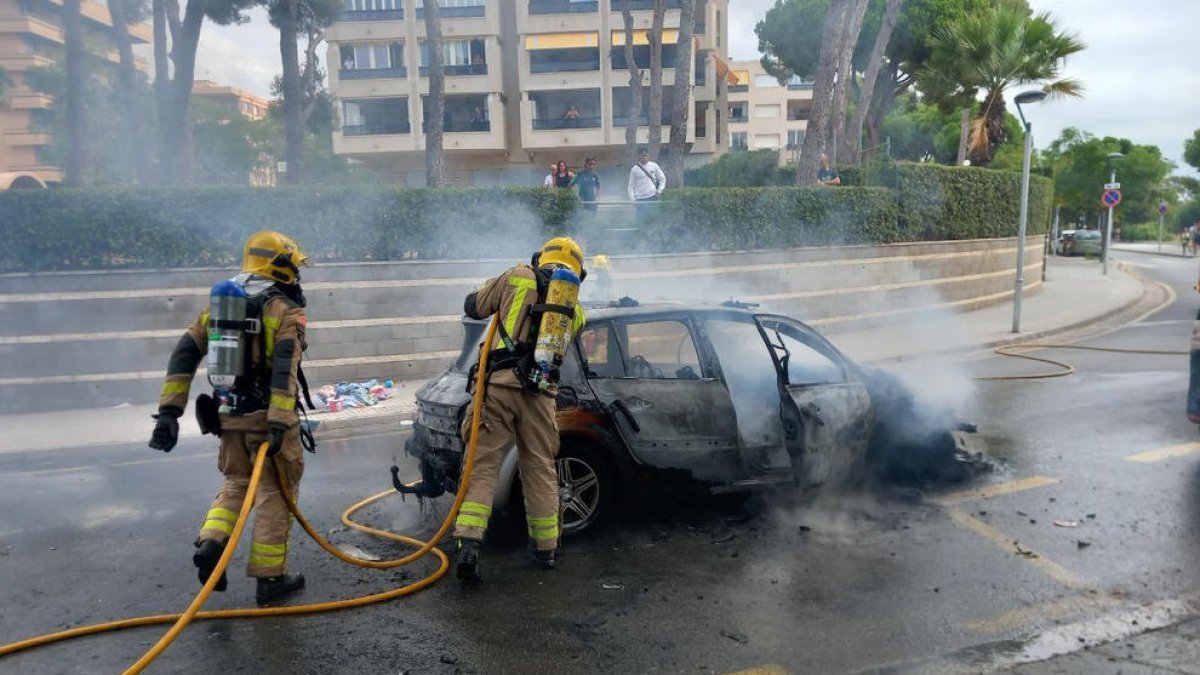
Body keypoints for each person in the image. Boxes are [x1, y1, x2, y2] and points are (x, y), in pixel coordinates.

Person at [149, 231, 312, 605]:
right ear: (281, 266)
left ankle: (211, 544)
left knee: (237, 483)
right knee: (277, 493)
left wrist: (169, 413)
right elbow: (284, 368)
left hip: (229, 416)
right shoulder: (285, 309)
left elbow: (183, 355)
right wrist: (277, 421)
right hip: (268, 419)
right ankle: (270, 580)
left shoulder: (222, 305)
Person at [453, 237, 588, 582]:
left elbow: (473, 307)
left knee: (482, 465)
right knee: (540, 468)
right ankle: (546, 550)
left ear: (540, 257)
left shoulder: (517, 276)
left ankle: (469, 547)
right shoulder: (576, 309)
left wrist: (492, 287)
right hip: (540, 393)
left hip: (499, 386)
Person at [627, 147, 666, 216]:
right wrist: (633, 201)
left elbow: (662, 179)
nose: (644, 157)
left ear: (649, 156)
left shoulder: (654, 166)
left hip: (652, 197)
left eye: (646, 155)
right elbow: (631, 186)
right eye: (642, 155)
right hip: (640, 199)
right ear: (639, 156)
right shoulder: (634, 169)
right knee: (641, 221)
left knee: (653, 219)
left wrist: (659, 191)